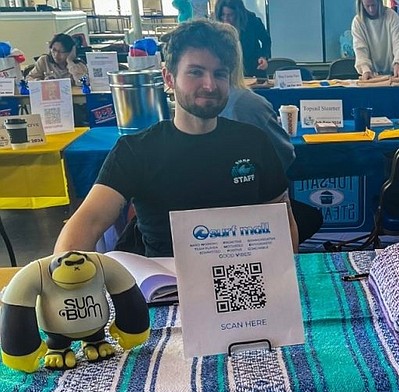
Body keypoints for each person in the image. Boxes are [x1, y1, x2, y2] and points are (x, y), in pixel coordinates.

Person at [54, 20, 299, 257]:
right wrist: (65, 281)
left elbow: (282, 217)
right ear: (169, 78)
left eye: (220, 74)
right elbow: (88, 222)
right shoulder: (136, 150)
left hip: (243, 277)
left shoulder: (253, 141)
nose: (210, 85)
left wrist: (289, 279)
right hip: (164, 287)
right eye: (195, 72)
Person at [351, 0, 399, 79]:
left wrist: (398, 62)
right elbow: (360, 49)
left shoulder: (391, 16)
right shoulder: (358, 22)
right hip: (371, 74)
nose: (371, 9)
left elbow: (398, 42)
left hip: (393, 73)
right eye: (367, 6)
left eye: (373, 5)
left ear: (379, 2)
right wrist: (365, 69)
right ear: (361, 4)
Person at [215, 0, 271, 77]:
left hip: (253, 68)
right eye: (223, 15)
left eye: (230, 15)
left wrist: (263, 57)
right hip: (228, 70)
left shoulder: (252, 20)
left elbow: (266, 40)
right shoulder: (216, 25)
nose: (226, 19)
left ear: (238, 14)